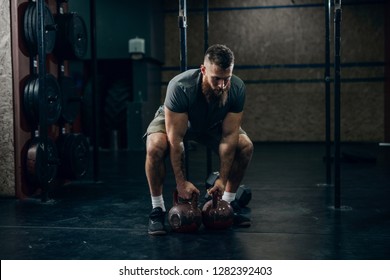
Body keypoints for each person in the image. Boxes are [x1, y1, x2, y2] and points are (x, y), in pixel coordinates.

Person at [144, 44, 253, 235]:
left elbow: (229, 137)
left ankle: (226, 205)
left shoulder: (236, 88)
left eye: (226, 79)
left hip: (212, 121)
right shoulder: (180, 86)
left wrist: (221, 180)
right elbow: (175, 139)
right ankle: (157, 209)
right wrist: (181, 183)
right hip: (177, 119)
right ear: (203, 70)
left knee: (245, 146)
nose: (222, 85)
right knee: (155, 146)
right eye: (216, 79)